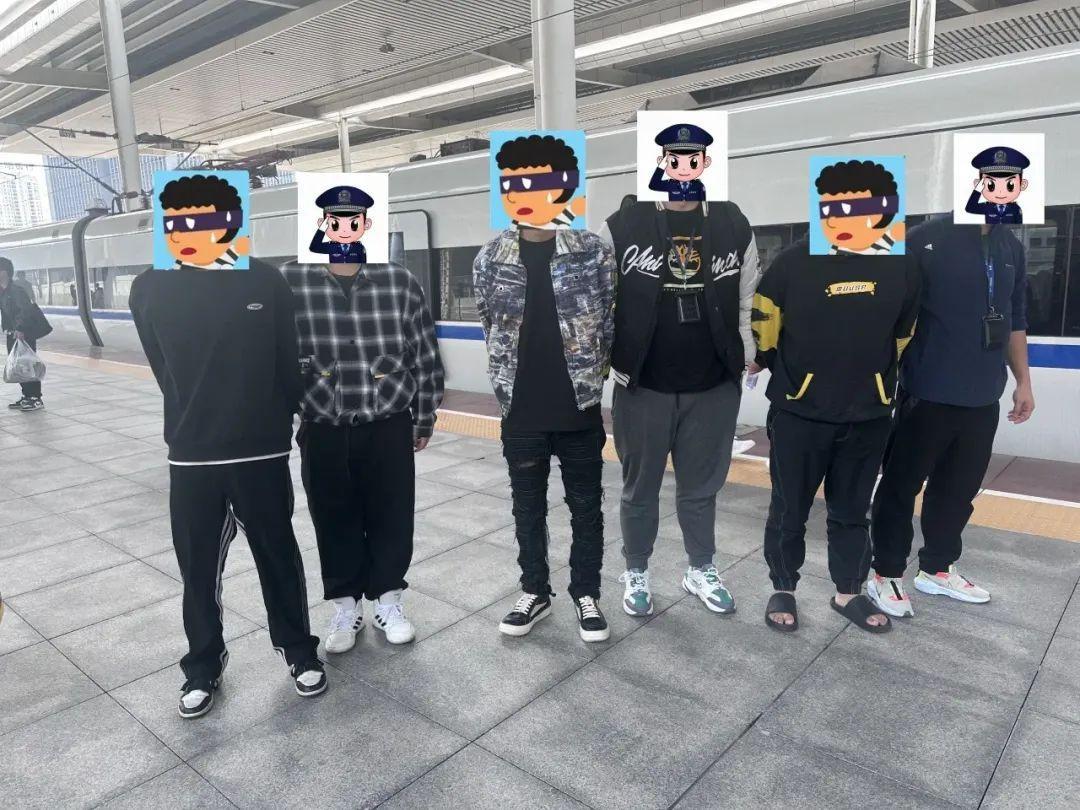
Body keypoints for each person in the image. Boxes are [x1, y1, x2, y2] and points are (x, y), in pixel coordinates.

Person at [130, 257, 326, 720]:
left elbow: (286, 355)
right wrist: (192, 413)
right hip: (191, 453)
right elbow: (163, 367)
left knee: (278, 555)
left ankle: (299, 650)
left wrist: (281, 417)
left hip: (261, 449)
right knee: (197, 568)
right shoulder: (150, 286)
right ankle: (203, 666)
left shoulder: (264, 279)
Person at [751, 197, 921, 632]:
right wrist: (788, 374)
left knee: (852, 511)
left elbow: (905, 331)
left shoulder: (900, 265)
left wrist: (876, 381)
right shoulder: (791, 263)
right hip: (799, 412)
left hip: (868, 414)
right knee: (789, 509)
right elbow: (764, 327)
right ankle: (783, 587)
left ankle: (848, 591)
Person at [475, 142, 616, 641]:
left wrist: (593, 374)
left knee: (587, 508)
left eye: (537, 184)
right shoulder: (491, 256)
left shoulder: (592, 250)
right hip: (521, 410)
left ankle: (586, 593)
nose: (525, 194)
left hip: (579, 407)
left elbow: (610, 317)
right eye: (514, 184)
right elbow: (489, 322)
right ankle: (534, 590)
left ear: (566, 188)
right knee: (526, 509)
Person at [600, 193, 759, 618]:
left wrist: (747, 353)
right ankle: (636, 570)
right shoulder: (622, 224)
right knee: (639, 489)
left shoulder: (732, 222)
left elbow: (747, 298)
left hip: (713, 386)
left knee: (701, 490)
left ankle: (700, 568)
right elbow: (597, 300)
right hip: (642, 387)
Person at [867, 215, 1033, 618]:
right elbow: (886, 310)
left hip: (983, 396)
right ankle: (885, 572)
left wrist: (1023, 382)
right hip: (926, 391)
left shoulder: (1010, 246)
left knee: (958, 491)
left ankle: (937, 568)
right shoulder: (923, 239)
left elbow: (1015, 319)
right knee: (900, 487)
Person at [284, 248, 444, 654]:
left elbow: (425, 354)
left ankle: (388, 602)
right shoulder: (289, 281)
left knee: (392, 514)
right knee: (332, 518)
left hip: (388, 423)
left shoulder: (398, 280)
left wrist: (424, 418)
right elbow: (272, 357)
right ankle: (346, 607)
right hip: (322, 425)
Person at [0, 257, 50, 412]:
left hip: (23, 334)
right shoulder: (3, 291)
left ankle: (35, 398)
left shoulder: (16, 290)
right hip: (12, 334)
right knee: (19, 366)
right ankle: (27, 396)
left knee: (28, 365)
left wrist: (20, 329)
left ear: (5, 272)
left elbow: (25, 310)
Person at [647, 123, 713, 202]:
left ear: (706, 162)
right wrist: (661, 167)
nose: (684, 169)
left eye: (694, 163)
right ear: (663, 161)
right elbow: (653, 185)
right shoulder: (671, 184)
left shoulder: (698, 186)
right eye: (674, 163)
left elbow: (703, 204)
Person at [964, 146, 1029, 225]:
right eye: (991, 185)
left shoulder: (1015, 208)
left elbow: (1019, 226)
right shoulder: (988, 207)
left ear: (1022, 184)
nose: (1001, 191)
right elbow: (970, 208)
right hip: (992, 233)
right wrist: (977, 190)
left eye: (1010, 185)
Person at [307, 185, 373, 263]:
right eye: (335, 225)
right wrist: (322, 229)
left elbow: (363, 264)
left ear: (366, 224)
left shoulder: (359, 248)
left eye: (354, 225)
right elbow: (314, 248)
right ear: (323, 223)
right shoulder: (331, 246)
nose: (344, 230)